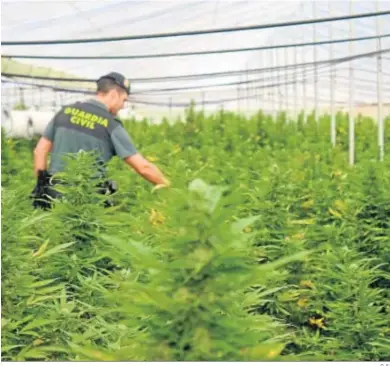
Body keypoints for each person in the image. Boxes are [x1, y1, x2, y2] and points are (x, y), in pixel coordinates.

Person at [31, 71, 169, 209]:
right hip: (88, 199)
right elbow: (143, 167)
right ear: (114, 94)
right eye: (124, 100)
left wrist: (42, 186)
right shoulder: (111, 125)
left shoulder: (64, 113)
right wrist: (167, 186)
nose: (123, 106)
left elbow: (40, 151)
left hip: (55, 195)